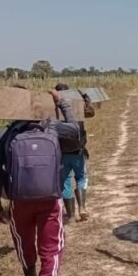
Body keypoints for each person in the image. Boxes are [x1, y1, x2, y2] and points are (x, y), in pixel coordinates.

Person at [0, 90, 81, 276]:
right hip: (50, 200)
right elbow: (76, 131)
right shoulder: (52, 128)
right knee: (51, 248)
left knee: (25, 243)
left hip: (19, 201)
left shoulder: (6, 132)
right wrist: (62, 102)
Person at [54, 83, 92, 222]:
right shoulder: (76, 107)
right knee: (81, 178)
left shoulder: (51, 109)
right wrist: (84, 96)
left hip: (62, 152)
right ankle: (82, 208)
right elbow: (91, 111)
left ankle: (70, 215)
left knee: (65, 182)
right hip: (78, 151)